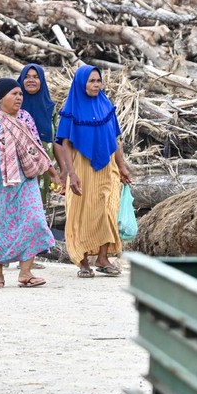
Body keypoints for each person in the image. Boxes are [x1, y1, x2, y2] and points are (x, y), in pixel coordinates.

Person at [0, 77, 61, 289]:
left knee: (34, 220)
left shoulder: (26, 118)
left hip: (26, 180)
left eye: (20, 94)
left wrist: (53, 174)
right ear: (1, 97)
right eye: (14, 94)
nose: (19, 97)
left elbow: (37, 148)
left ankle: (25, 273)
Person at [56, 64, 132, 278]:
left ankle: (102, 257)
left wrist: (122, 166)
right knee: (81, 212)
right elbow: (65, 143)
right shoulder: (71, 108)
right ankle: (82, 262)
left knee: (107, 209)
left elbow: (114, 139)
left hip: (107, 166)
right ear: (82, 83)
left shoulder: (105, 104)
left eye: (98, 81)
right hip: (81, 167)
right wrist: (71, 173)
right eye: (91, 81)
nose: (96, 85)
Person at [19, 62, 65, 206]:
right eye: (27, 77)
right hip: (18, 166)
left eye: (36, 77)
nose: (31, 80)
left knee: (39, 206)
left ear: (42, 81)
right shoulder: (13, 106)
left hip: (44, 168)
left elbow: (55, 140)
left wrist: (62, 170)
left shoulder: (50, 108)